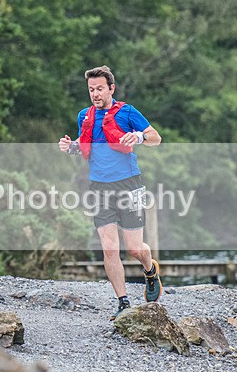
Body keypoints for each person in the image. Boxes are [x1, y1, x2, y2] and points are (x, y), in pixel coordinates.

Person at [58, 65, 163, 320]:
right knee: (109, 248)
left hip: (129, 185)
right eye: (91, 89)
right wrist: (70, 147)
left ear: (111, 88)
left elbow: (155, 137)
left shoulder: (127, 111)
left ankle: (150, 271)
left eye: (100, 89)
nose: (95, 93)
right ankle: (123, 302)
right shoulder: (84, 115)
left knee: (135, 249)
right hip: (99, 188)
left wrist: (137, 137)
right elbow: (87, 148)